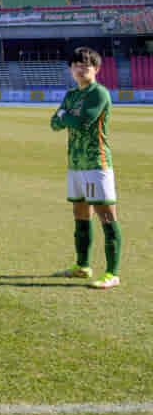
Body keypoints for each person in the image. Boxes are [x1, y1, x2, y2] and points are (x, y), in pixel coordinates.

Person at [51, 47, 121, 289]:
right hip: (76, 163)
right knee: (80, 214)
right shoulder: (71, 95)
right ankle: (82, 266)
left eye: (86, 66)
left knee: (107, 216)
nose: (81, 69)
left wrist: (65, 115)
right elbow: (53, 123)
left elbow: (82, 122)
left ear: (96, 69)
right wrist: (64, 115)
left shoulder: (98, 93)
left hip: (96, 162)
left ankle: (112, 272)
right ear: (71, 69)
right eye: (76, 66)